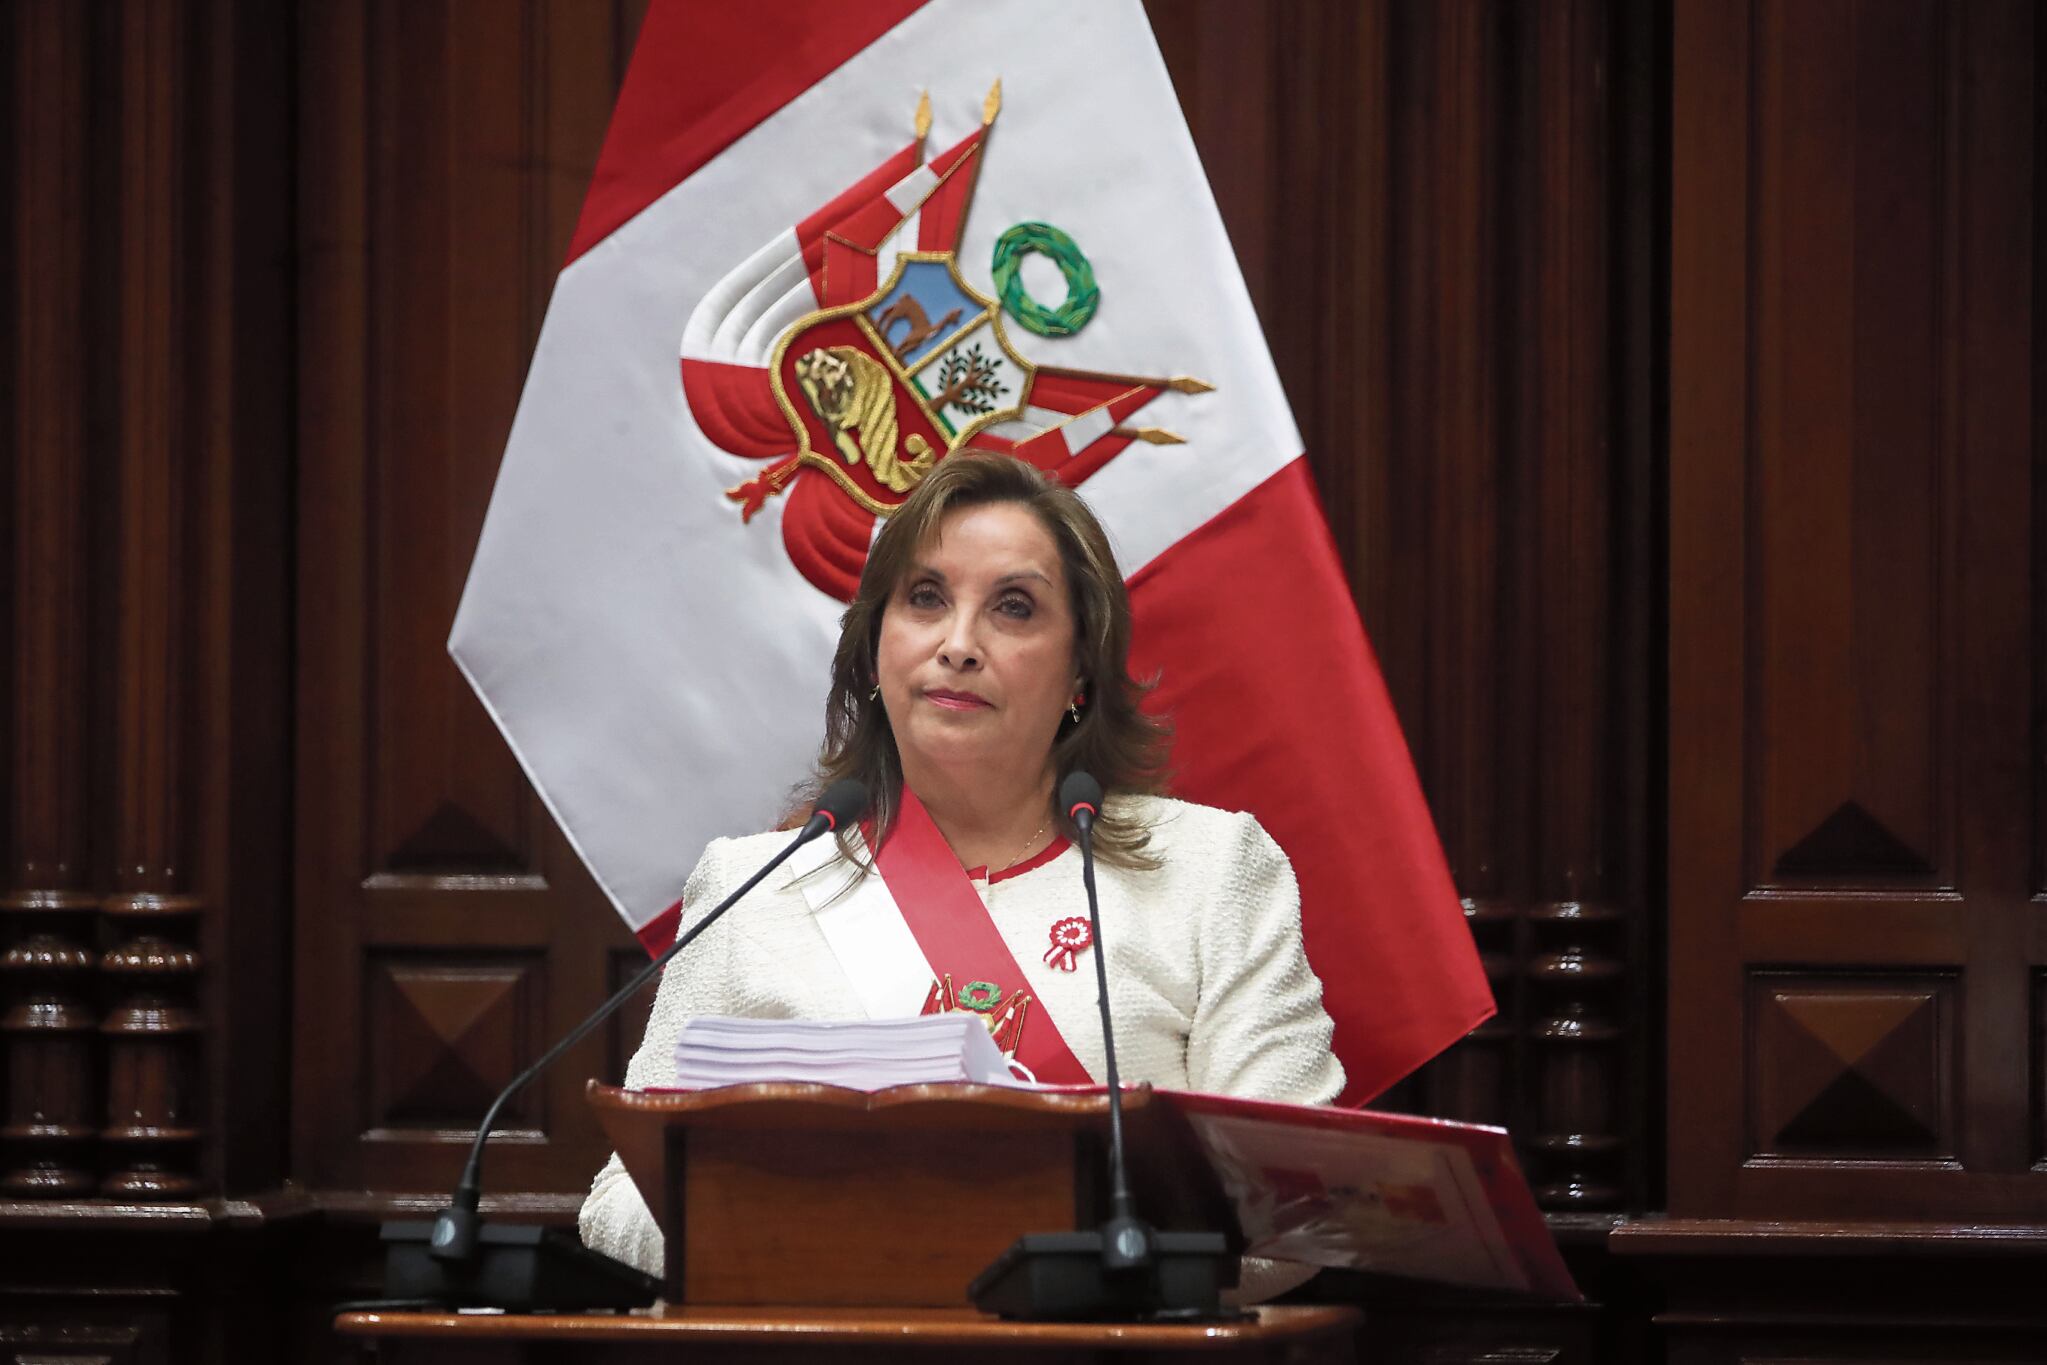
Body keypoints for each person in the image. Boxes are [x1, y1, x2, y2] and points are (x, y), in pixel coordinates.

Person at [580, 451, 1343, 1297]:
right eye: (925, 598)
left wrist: (1066, 1273)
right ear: (875, 649)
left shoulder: (1209, 870)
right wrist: (847, 1250)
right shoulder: (749, 885)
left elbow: (1294, 1212)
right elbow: (620, 1203)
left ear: (1080, 674)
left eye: (1013, 608)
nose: (958, 644)